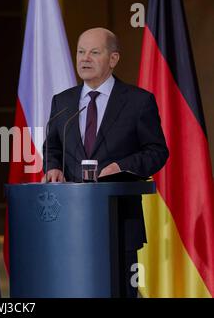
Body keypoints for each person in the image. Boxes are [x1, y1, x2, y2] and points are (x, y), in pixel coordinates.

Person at [43, 28, 169, 297]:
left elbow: (157, 151)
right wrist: (52, 166)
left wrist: (121, 167)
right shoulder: (62, 102)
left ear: (113, 59)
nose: (84, 59)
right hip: (70, 222)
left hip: (119, 223)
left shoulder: (138, 102)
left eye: (94, 52)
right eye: (80, 52)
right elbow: (52, 145)